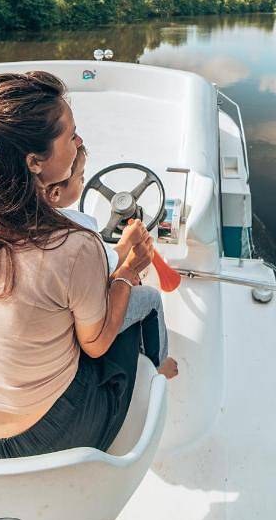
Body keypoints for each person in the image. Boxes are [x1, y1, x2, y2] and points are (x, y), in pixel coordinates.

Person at [0, 70, 162, 460]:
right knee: (139, 307)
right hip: (51, 437)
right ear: (34, 161)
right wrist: (128, 274)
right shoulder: (72, 247)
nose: (79, 142)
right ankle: (159, 372)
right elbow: (96, 345)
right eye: (70, 136)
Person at [45, 145, 177, 378]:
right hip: (79, 330)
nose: (83, 182)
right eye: (81, 177)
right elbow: (106, 266)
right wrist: (128, 259)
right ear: (55, 193)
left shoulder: (44, 220)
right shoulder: (80, 235)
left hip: (57, 317)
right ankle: (158, 367)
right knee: (150, 298)